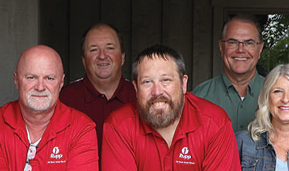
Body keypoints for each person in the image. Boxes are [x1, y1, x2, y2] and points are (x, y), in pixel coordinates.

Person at [102, 44, 240, 170]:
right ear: (136, 88)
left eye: (166, 80)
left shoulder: (215, 123)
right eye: (147, 81)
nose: (157, 91)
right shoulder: (119, 125)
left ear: (183, 83)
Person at [0, 45, 99, 171]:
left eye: (49, 78)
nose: (40, 87)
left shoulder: (81, 128)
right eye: (31, 77)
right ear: (16, 80)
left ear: (61, 82)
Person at [59, 23, 136, 155]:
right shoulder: (65, 98)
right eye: (94, 49)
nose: (102, 55)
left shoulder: (139, 96)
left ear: (123, 57)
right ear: (84, 60)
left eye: (110, 48)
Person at [193, 14, 266, 132]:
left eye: (249, 43)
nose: (241, 49)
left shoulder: (277, 95)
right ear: (221, 47)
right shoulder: (198, 98)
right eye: (232, 42)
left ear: (260, 48)